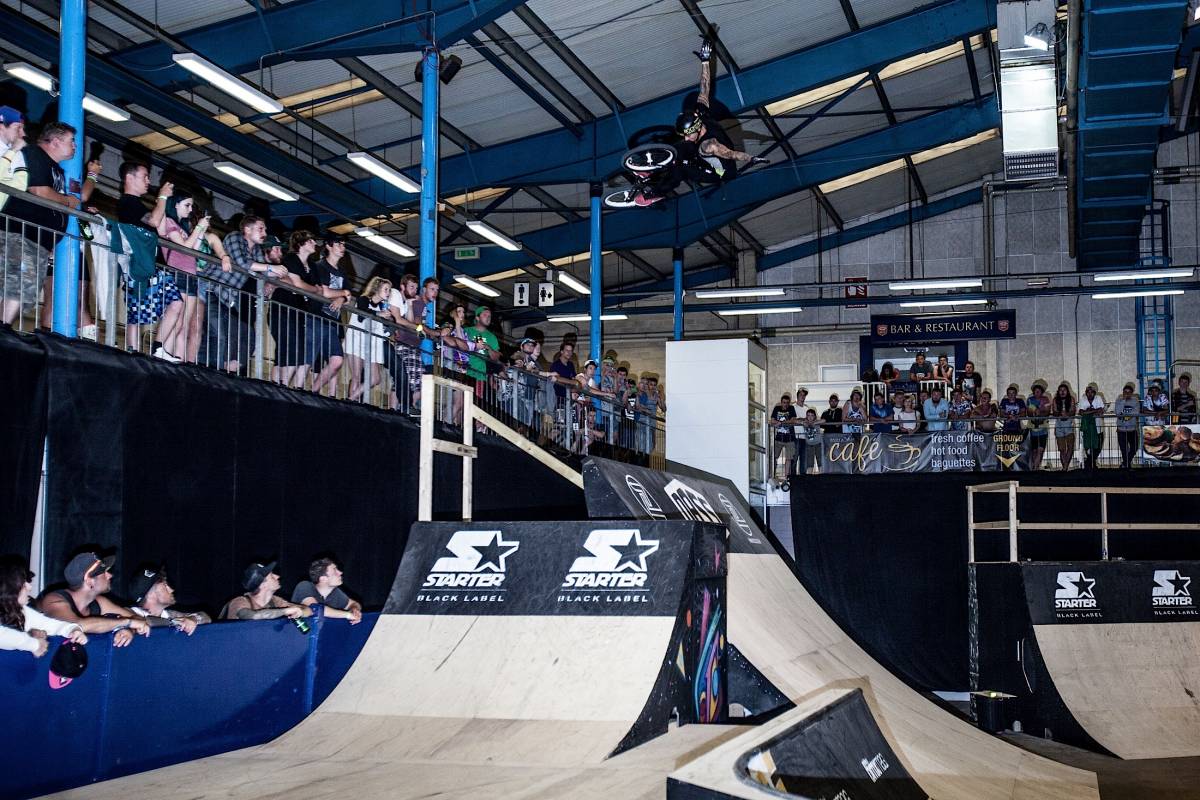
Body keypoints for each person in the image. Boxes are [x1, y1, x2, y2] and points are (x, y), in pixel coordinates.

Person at [634, 38, 765, 207]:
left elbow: (732, 154)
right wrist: (705, 61)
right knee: (680, 145)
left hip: (718, 171)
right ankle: (650, 168)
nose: (687, 137)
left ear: (697, 129)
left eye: (689, 135)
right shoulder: (700, 112)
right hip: (704, 150)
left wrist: (751, 158)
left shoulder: (710, 145)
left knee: (682, 168)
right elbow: (705, 85)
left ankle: (654, 195)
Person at [3, 122, 98, 327]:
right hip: (22, 233)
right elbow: (39, 191)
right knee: (21, 286)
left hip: (38, 241)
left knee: (22, 288)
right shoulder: (36, 155)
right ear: (55, 141)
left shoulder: (57, 170)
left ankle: (4, 325)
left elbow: (81, 205)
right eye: (71, 141)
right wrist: (69, 200)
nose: (75, 146)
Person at [201, 215, 286, 373]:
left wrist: (275, 275)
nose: (264, 232)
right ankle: (208, 372)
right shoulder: (235, 237)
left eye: (265, 229)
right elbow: (242, 262)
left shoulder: (256, 250)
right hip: (212, 290)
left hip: (227, 299)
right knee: (218, 335)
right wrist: (270, 269)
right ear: (247, 229)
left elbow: (263, 273)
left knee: (247, 335)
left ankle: (229, 368)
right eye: (261, 229)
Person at [118, 163, 184, 360]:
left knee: (175, 302)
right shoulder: (128, 202)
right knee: (136, 311)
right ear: (130, 178)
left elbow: (158, 224)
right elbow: (154, 221)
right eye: (145, 176)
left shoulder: (136, 204)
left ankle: (158, 347)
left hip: (151, 264)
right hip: (138, 264)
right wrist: (162, 197)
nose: (148, 181)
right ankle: (134, 353)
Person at [158, 189, 231, 364]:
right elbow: (186, 247)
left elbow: (194, 249)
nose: (190, 210)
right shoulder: (170, 222)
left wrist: (200, 231)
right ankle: (161, 350)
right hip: (178, 273)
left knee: (183, 323)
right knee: (176, 317)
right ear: (176, 204)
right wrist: (198, 228)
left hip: (191, 275)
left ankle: (173, 357)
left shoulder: (182, 227)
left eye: (191, 206)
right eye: (187, 205)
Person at [38, 552, 150, 647]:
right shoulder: (53, 600)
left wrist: (129, 630)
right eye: (104, 572)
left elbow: (138, 619)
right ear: (89, 580)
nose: (110, 575)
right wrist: (127, 623)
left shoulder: (99, 602)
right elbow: (77, 625)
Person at [0, 556, 87, 656]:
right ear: (9, 589)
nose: (30, 587)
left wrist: (74, 630)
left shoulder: (22, 612)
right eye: (24, 585)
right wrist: (34, 644)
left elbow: (52, 625)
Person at [272, 230, 323, 389]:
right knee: (288, 349)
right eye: (311, 241)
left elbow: (317, 288)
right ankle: (282, 385)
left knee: (293, 350)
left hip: (299, 310)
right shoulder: (291, 259)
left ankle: (281, 385)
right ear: (301, 243)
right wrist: (313, 289)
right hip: (283, 306)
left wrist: (312, 289)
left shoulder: (312, 266)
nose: (314, 244)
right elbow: (298, 284)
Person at [307, 236, 353, 395]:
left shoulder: (342, 272)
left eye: (344, 244)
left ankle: (314, 389)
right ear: (329, 246)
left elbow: (348, 298)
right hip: (317, 316)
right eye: (339, 244)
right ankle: (307, 390)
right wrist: (343, 294)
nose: (342, 247)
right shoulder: (320, 266)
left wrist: (341, 297)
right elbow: (325, 292)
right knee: (311, 358)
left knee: (336, 359)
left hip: (333, 320)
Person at [345, 276, 392, 403]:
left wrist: (387, 320)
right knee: (356, 375)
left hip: (371, 345)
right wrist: (378, 315)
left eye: (389, 290)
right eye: (386, 289)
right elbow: (361, 314)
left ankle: (350, 399)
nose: (389, 292)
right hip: (356, 339)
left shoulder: (383, 307)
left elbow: (386, 328)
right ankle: (353, 403)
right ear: (377, 288)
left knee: (376, 378)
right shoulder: (363, 299)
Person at [128, 567, 210, 634]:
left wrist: (193, 619)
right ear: (151, 592)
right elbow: (138, 622)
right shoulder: (129, 614)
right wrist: (173, 623)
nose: (171, 589)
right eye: (165, 585)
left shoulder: (170, 615)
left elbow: (206, 617)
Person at [222, 561, 313, 621]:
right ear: (263, 584)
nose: (278, 577)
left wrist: (300, 612)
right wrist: (285, 611)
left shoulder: (276, 601)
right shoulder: (239, 601)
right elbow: (253, 616)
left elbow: (308, 610)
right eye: (272, 576)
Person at [292, 557, 363, 624]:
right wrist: (348, 615)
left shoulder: (335, 593)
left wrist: (354, 610)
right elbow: (315, 609)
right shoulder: (304, 586)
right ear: (323, 579)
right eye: (335, 570)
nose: (340, 573)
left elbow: (353, 604)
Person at [769, 393, 798, 476]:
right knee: (774, 457)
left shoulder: (791, 408)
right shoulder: (777, 408)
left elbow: (793, 420)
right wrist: (778, 422)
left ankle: (786, 477)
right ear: (781, 402)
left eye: (787, 403)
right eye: (784, 402)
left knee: (788, 458)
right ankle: (772, 475)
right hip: (779, 438)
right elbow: (772, 420)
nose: (785, 404)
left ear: (789, 403)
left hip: (790, 438)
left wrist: (780, 423)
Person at [1113, 382, 1140, 468]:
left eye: (1129, 392)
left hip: (1132, 429)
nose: (1127, 394)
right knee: (1124, 450)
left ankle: (1125, 464)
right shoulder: (1119, 400)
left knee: (1134, 447)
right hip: (1121, 429)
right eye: (1125, 392)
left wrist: (1123, 414)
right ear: (1123, 392)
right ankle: (1127, 466)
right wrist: (1123, 401)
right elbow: (1117, 412)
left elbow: (1136, 412)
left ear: (1132, 393)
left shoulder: (1135, 400)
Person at [1079, 384, 1105, 469]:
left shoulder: (1098, 398)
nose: (1090, 394)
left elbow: (1101, 410)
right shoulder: (1083, 399)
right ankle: (1091, 464)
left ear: (1094, 393)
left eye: (1091, 392)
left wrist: (1089, 411)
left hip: (1098, 427)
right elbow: (1081, 412)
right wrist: (1094, 411)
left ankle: (1089, 461)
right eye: (1088, 392)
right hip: (1087, 427)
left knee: (1098, 445)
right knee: (1087, 445)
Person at [1051, 382, 1077, 470]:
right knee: (1062, 449)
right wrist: (1059, 414)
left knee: (1070, 447)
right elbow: (1054, 412)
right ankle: (1065, 467)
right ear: (1058, 391)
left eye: (1064, 390)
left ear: (1067, 391)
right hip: (1059, 426)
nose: (1062, 392)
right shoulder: (1055, 400)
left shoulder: (1071, 399)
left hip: (1069, 425)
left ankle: (1065, 467)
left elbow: (1073, 411)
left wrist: (1067, 414)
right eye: (1060, 390)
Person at [1026, 383, 1050, 470]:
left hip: (1043, 428)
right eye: (1035, 391)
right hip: (1032, 429)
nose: (1037, 393)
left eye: (1039, 391)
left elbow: (1047, 412)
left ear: (1042, 392)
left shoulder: (1046, 399)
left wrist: (1041, 412)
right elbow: (1028, 413)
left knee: (1040, 449)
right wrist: (1034, 412)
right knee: (1034, 450)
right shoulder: (1029, 400)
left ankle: (1036, 467)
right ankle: (1034, 466)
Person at [800, 408, 821, 473]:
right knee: (809, 462)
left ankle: (821, 476)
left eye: (812, 415)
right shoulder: (805, 422)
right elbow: (795, 420)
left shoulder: (817, 421)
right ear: (806, 416)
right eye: (808, 415)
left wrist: (815, 422)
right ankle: (809, 477)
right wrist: (802, 422)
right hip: (809, 444)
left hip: (818, 443)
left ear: (814, 416)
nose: (810, 417)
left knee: (820, 461)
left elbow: (824, 420)